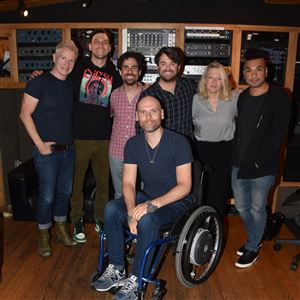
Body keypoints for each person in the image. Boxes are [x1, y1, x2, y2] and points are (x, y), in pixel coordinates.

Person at [92, 95, 196, 299]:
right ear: (137, 117)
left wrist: (151, 205)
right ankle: (117, 268)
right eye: (143, 112)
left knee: (147, 220)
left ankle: (137, 282)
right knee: (112, 209)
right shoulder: (133, 144)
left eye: (153, 111)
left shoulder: (179, 142)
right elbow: (129, 183)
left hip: (177, 201)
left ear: (162, 114)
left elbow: (185, 186)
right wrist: (131, 211)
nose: (148, 116)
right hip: (147, 195)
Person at [231, 48, 291, 268]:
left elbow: (279, 133)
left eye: (258, 70)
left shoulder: (279, 97)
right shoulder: (243, 96)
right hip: (239, 163)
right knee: (241, 207)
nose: (253, 75)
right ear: (244, 74)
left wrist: (259, 160)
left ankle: (253, 245)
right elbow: (240, 130)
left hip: (263, 166)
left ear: (266, 71)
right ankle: (255, 238)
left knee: (257, 208)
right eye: (249, 70)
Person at [19, 41, 79, 257]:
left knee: (64, 193)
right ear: (54, 57)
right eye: (63, 58)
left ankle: (61, 229)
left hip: (68, 151)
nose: (67, 63)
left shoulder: (70, 85)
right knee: (46, 197)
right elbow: (24, 115)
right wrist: (39, 145)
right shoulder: (38, 83)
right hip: (47, 152)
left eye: (71, 60)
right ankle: (44, 236)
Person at [69, 29, 123, 243]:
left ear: (110, 48)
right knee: (76, 183)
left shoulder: (115, 73)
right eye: (96, 41)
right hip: (79, 136)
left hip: (104, 138)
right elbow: (58, 75)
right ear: (89, 46)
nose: (101, 44)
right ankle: (77, 220)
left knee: (103, 184)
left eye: (105, 42)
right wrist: (39, 73)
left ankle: (100, 219)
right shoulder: (78, 68)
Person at [192, 61, 239, 218]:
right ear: (204, 79)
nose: (213, 82)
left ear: (224, 81)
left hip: (224, 153)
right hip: (200, 152)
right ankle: (198, 236)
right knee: (200, 196)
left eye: (218, 78)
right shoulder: (195, 100)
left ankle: (216, 234)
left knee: (219, 197)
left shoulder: (234, 99)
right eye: (210, 77)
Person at [139, 46, 197, 140]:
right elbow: (140, 129)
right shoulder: (148, 95)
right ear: (157, 67)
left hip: (187, 148)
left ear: (178, 67)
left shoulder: (189, 86)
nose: (168, 68)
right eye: (163, 63)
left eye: (172, 63)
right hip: (161, 150)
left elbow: (210, 93)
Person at [109, 51, 145, 199]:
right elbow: (111, 118)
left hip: (142, 153)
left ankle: (140, 223)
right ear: (120, 71)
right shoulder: (113, 95)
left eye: (134, 67)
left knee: (142, 196)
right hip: (117, 153)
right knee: (120, 195)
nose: (129, 71)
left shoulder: (148, 93)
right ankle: (121, 222)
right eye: (125, 67)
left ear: (140, 71)